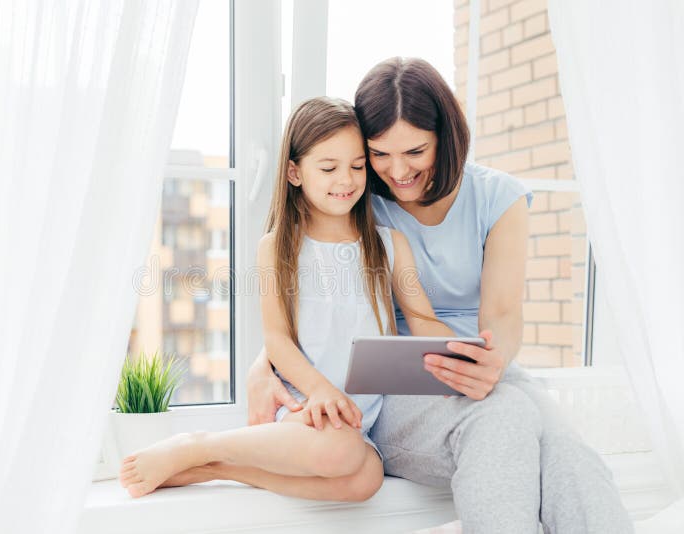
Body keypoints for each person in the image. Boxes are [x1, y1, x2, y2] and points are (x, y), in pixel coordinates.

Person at [246, 58, 634, 533]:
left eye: (414, 151)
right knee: (502, 418)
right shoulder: (358, 194)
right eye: (379, 154)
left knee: (569, 454)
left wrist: (492, 360)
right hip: (391, 383)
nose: (397, 170)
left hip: (473, 359)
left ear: (445, 138)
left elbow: (504, 313)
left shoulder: (497, 197)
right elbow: (316, 296)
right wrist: (262, 364)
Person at [119, 97, 455, 500]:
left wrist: (462, 350)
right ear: (295, 172)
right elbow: (277, 340)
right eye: (328, 168)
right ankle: (199, 444)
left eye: (357, 166)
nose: (345, 180)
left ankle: (211, 469)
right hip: (302, 404)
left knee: (365, 480)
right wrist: (318, 391)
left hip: (357, 416)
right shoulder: (278, 247)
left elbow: (422, 319)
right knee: (341, 451)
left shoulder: (389, 244)